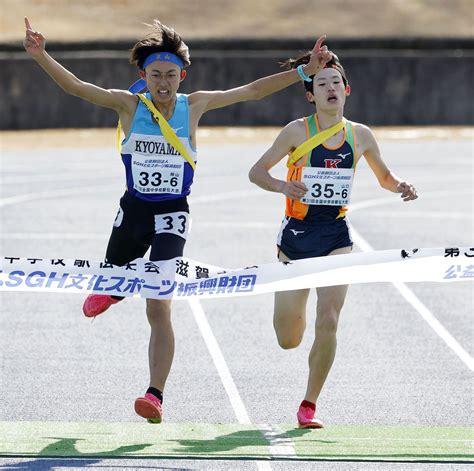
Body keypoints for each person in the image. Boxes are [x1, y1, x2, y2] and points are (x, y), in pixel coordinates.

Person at [23, 17, 333, 424]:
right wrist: (41, 55)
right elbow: (77, 88)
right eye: (156, 76)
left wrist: (302, 73)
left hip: (172, 214)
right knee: (114, 278)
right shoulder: (128, 105)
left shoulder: (195, 105)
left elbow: (252, 92)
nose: (164, 83)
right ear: (144, 76)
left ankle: (155, 395)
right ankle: (114, 288)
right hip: (132, 212)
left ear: (182, 76)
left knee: (158, 308)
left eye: (171, 75)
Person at [248, 52, 417, 428]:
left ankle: (309, 404)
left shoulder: (361, 136)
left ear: (347, 90)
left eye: (336, 82)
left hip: (336, 237)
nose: (330, 88)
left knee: (329, 319)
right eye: (321, 83)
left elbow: (384, 177)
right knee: (288, 338)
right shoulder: (297, 132)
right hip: (295, 239)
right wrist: (281, 185)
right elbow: (256, 172)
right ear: (310, 95)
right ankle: (295, 321)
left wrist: (400, 186)